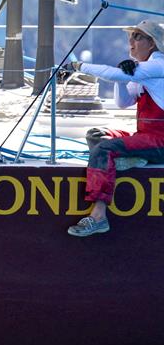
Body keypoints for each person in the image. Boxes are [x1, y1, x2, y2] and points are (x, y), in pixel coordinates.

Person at [64, 18, 164, 237]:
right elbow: (123, 102)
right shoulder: (144, 70)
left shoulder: (159, 65)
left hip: (160, 142)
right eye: (130, 36)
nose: (131, 41)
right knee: (96, 135)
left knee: (102, 149)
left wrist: (77, 66)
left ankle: (98, 216)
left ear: (153, 43)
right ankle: (132, 159)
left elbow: (111, 74)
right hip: (147, 137)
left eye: (137, 36)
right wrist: (122, 79)